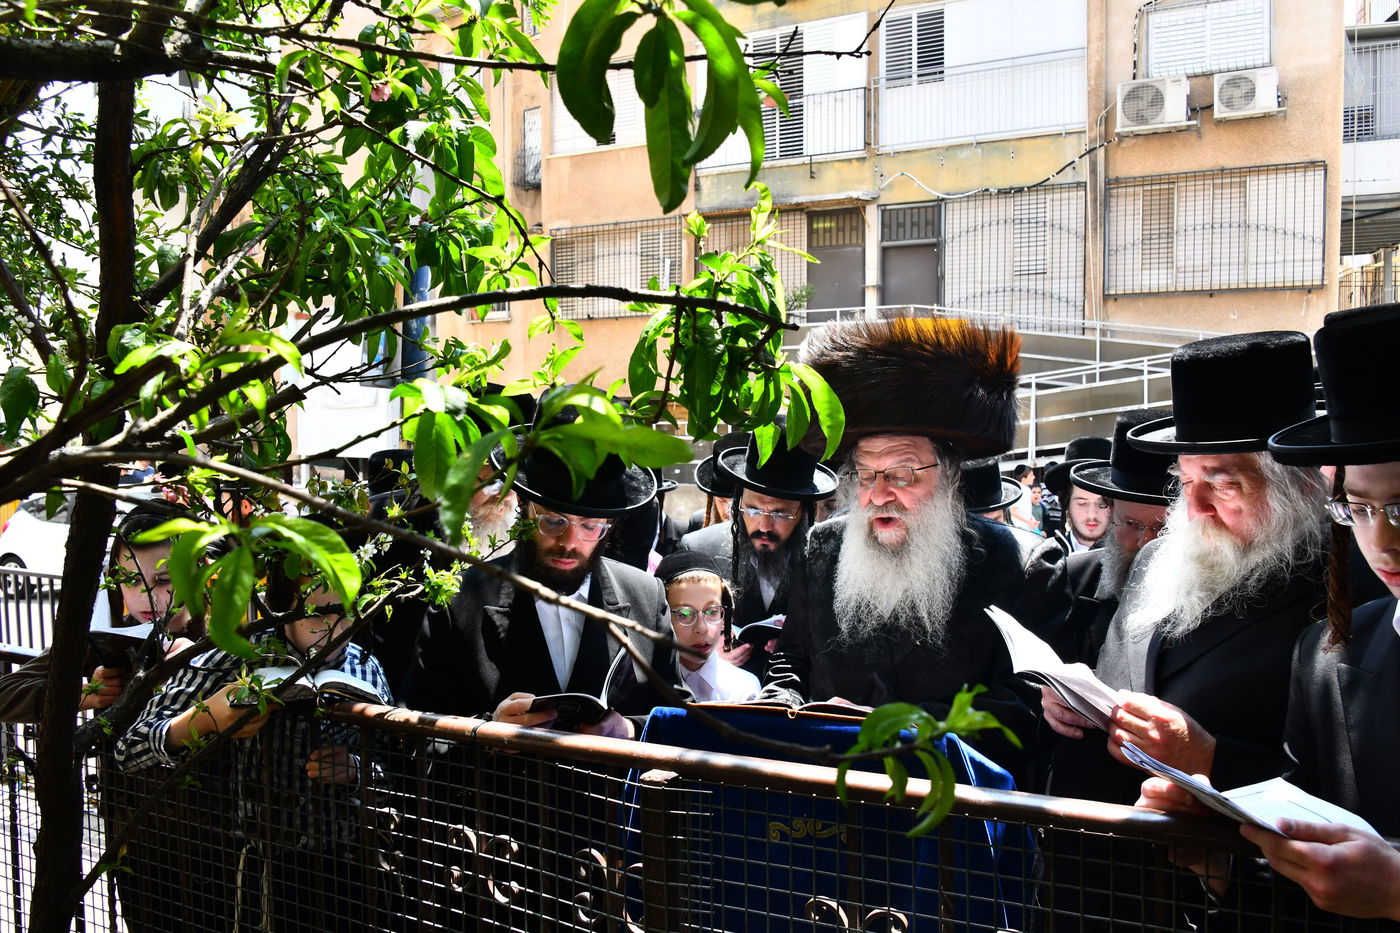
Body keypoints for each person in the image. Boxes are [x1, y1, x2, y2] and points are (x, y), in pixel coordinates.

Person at [1042, 332, 1328, 931]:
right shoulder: (1157, 560)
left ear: (1296, 486)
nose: (1191, 510)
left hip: (1244, 897)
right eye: (1186, 480)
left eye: (1224, 485)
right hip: (1104, 880)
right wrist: (1073, 700)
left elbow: (1348, 787)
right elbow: (1127, 681)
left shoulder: (1350, 590)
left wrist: (1212, 760)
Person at [1138, 303, 1400, 927]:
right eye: (1359, 510)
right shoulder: (1333, 649)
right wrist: (1223, 858)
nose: (1384, 541)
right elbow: (1310, 866)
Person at [761, 318, 1072, 785]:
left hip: (954, 814)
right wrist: (777, 709)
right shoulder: (821, 547)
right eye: (866, 475)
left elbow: (1027, 704)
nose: (879, 494)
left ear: (948, 476)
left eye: (902, 474)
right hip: (826, 799)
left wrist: (898, 725)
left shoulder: (1024, 565)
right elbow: (793, 659)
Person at [116, 559, 396, 933]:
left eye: (346, 613)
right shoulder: (235, 657)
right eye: (318, 615)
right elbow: (129, 748)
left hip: (344, 872)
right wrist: (202, 721)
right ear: (283, 610)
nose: (337, 631)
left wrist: (356, 770)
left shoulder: (368, 667)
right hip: (251, 871)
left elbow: (391, 768)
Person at [400, 443, 685, 737]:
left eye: (589, 526)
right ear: (522, 507)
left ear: (609, 525)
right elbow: (416, 740)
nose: (569, 542)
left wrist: (631, 729)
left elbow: (680, 721)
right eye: (552, 521)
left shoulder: (645, 596)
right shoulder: (457, 602)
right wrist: (485, 731)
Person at [673, 416, 837, 677]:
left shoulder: (828, 559)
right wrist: (706, 654)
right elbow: (669, 635)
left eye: (781, 514)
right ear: (737, 501)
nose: (764, 525)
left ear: (805, 511)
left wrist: (807, 648)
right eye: (752, 508)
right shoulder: (699, 549)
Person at [1058, 407, 1173, 666]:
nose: (1146, 543)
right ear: (1111, 512)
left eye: (1161, 528)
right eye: (1132, 524)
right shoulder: (1070, 581)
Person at [654, 551, 759, 703]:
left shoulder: (743, 690)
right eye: (684, 614)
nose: (701, 628)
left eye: (711, 612)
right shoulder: (644, 687)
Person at [1044, 436, 1114, 552]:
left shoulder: (1134, 561)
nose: (1091, 515)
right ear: (1066, 504)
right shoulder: (1048, 561)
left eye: (1102, 503)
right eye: (1082, 503)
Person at [686, 432, 748, 532]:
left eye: (736, 502)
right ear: (713, 498)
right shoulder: (697, 522)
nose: (728, 511)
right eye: (722, 501)